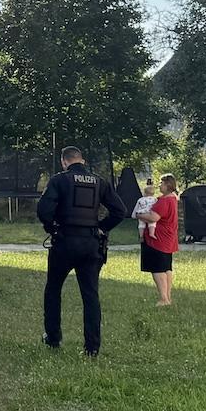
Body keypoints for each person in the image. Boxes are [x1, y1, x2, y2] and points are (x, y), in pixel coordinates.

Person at [35, 146, 129, 357]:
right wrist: (102, 228)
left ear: (64, 161)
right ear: (82, 161)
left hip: (64, 241)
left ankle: (53, 337)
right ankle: (92, 347)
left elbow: (43, 210)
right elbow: (120, 210)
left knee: (53, 290)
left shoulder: (59, 180)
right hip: (90, 243)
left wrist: (52, 228)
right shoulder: (99, 182)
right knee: (90, 295)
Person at [138, 173, 179, 306]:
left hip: (157, 240)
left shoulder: (164, 201)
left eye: (161, 183)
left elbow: (153, 217)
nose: (159, 185)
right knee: (167, 268)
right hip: (168, 238)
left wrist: (139, 215)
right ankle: (168, 297)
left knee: (157, 269)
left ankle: (163, 298)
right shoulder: (173, 199)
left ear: (168, 185)